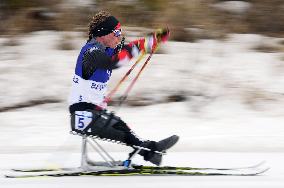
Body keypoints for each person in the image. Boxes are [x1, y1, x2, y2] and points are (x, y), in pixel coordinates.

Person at [68, 10, 178, 166]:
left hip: (94, 111)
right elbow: (111, 62)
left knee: (124, 129)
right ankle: (152, 151)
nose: (119, 36)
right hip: (83, 114)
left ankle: (152, 152)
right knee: (121, 131)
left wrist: (152, 40)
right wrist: (139, 46)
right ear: (103, 33)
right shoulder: (90, 51)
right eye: (116, 32)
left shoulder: (104, 49)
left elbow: (124, 51)